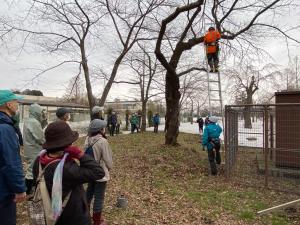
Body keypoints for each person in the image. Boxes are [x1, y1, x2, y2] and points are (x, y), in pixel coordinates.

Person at [32, 121, 105, 225]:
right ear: (67, 145)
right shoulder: (67, 169)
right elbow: (98, 172)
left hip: (51, 215)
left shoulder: (38, 160)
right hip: (73, 218)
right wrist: (79, 154)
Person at [0, 90, 26, 225]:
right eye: (16, 101)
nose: (18, 104)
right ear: (8, 104)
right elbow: (11, 162)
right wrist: (19, 188)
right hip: (3, 190)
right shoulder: (5, 129)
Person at [85, 119, 113, 225]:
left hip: (90, 172)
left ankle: (85, 216)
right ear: (101, 129)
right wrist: (109, 168)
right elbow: (108, 160)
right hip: (100, 173)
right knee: (99, 197)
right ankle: (97, 221)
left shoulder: (87, 139)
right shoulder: (102, 141)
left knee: (89, 192)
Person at [23, 103, 45, 195]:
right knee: (33, 170)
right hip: (34, 149)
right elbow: (40, 138)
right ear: (36, 112)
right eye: (41, 111)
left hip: (29, 147)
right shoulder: (34, 122)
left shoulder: (29, 121)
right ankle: (29, 191)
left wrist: (43, 121)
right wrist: (47, 144)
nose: (42, 113)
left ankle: (28, 190)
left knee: (30, 169)